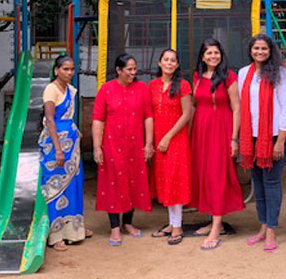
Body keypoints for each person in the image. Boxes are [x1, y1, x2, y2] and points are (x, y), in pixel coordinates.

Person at [238, 34, 286, 252]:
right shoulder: (244, 73)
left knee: (271, 182)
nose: (260, 52)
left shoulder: (280, 74)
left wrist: (280, 141)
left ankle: (272, 228)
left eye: (264, 48)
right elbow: (244, 105)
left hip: (275, 135)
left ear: (270, 51)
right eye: (256, 48)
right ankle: (262, 226)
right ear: (250, 50)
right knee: (258, 181)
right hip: (252, 136)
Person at [92, 53, 154, 247]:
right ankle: (114, 228)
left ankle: (128, 223)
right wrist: (97, 147)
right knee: (113, 183)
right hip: (112, 145)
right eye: (129, 69)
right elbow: (97, 119)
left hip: (135, 146)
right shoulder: (106, 89)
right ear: (118, 70)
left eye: (135, 69)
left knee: (133, 181)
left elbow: (148, 116)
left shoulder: (141, 88)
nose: (133, 73)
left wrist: (148, 143)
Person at [190, 38, 244, 250]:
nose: (213, 56)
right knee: (204, 174)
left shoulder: (229, 77)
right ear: (202, 57)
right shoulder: (197, 77)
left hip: (221, 130)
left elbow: (237, 108)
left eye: (216, 53)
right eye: (209, 53)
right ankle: (214, 221)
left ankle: (216, 228)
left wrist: (234, 138)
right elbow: (194, 105)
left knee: (217, 176)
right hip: (201, 131)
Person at [39, 55, 89, 251]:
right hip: (55, 145)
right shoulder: (51, 89)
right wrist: (58, 149)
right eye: (65, 69)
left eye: (71, 69)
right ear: (56, 70)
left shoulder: (70, 89)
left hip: (71, 146)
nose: (69, 72)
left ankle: (74, 229)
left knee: (73, 185)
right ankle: (56, 236)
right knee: (54, 188)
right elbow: (50, 119)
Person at [148, 48, 193, 246]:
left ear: (177, 64)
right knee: (164, 180)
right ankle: (171, 223)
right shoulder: (152, 85)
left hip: (176, 138)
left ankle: (177, 226)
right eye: (166, 60)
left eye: (173, 60)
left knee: (175, 181)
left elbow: (187, 114)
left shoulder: (183, 85)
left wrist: (168, 136)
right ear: (159, 63)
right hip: (158, 139)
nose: (169, 63)